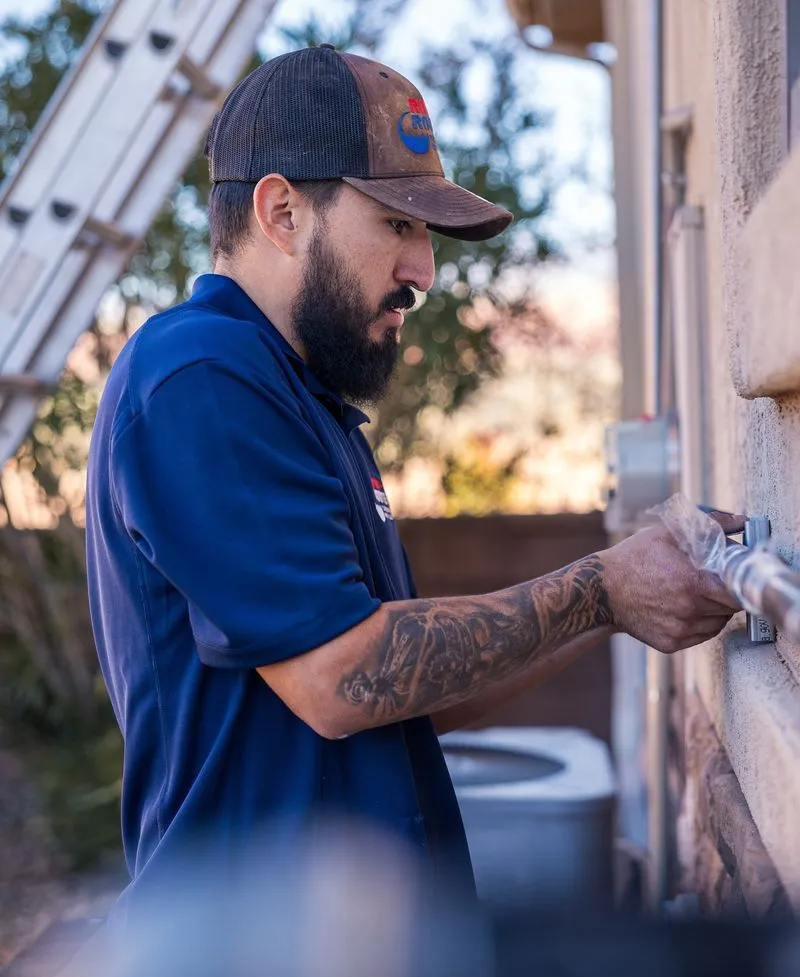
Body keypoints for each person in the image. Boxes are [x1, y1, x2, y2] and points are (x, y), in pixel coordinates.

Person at [85, 45, 742, 915]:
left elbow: (404, 694)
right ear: (282, 211)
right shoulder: (200, 376)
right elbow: (340, 680)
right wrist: (599, 589)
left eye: (422, 233)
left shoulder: (305, 398)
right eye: (396, 224)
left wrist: (619, 602)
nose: (422, 272)